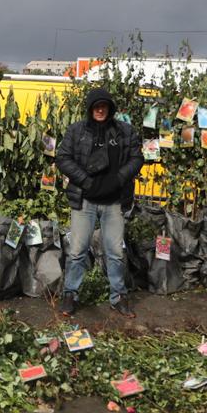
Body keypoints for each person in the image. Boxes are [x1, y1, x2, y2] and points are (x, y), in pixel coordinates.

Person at [55, 87, 141, 318]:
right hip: (85, 202)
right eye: (96, 106)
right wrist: (85, 181)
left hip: (114, 203)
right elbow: (62, 157)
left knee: (114, 252)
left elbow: (136, 158)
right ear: (90, 108)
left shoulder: (124, 132)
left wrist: (120, 178)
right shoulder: (77, 131)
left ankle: (118, 297)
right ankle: (70, 294)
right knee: (77, 251)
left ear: (110, 108)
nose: (100, 109)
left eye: (104, 105)